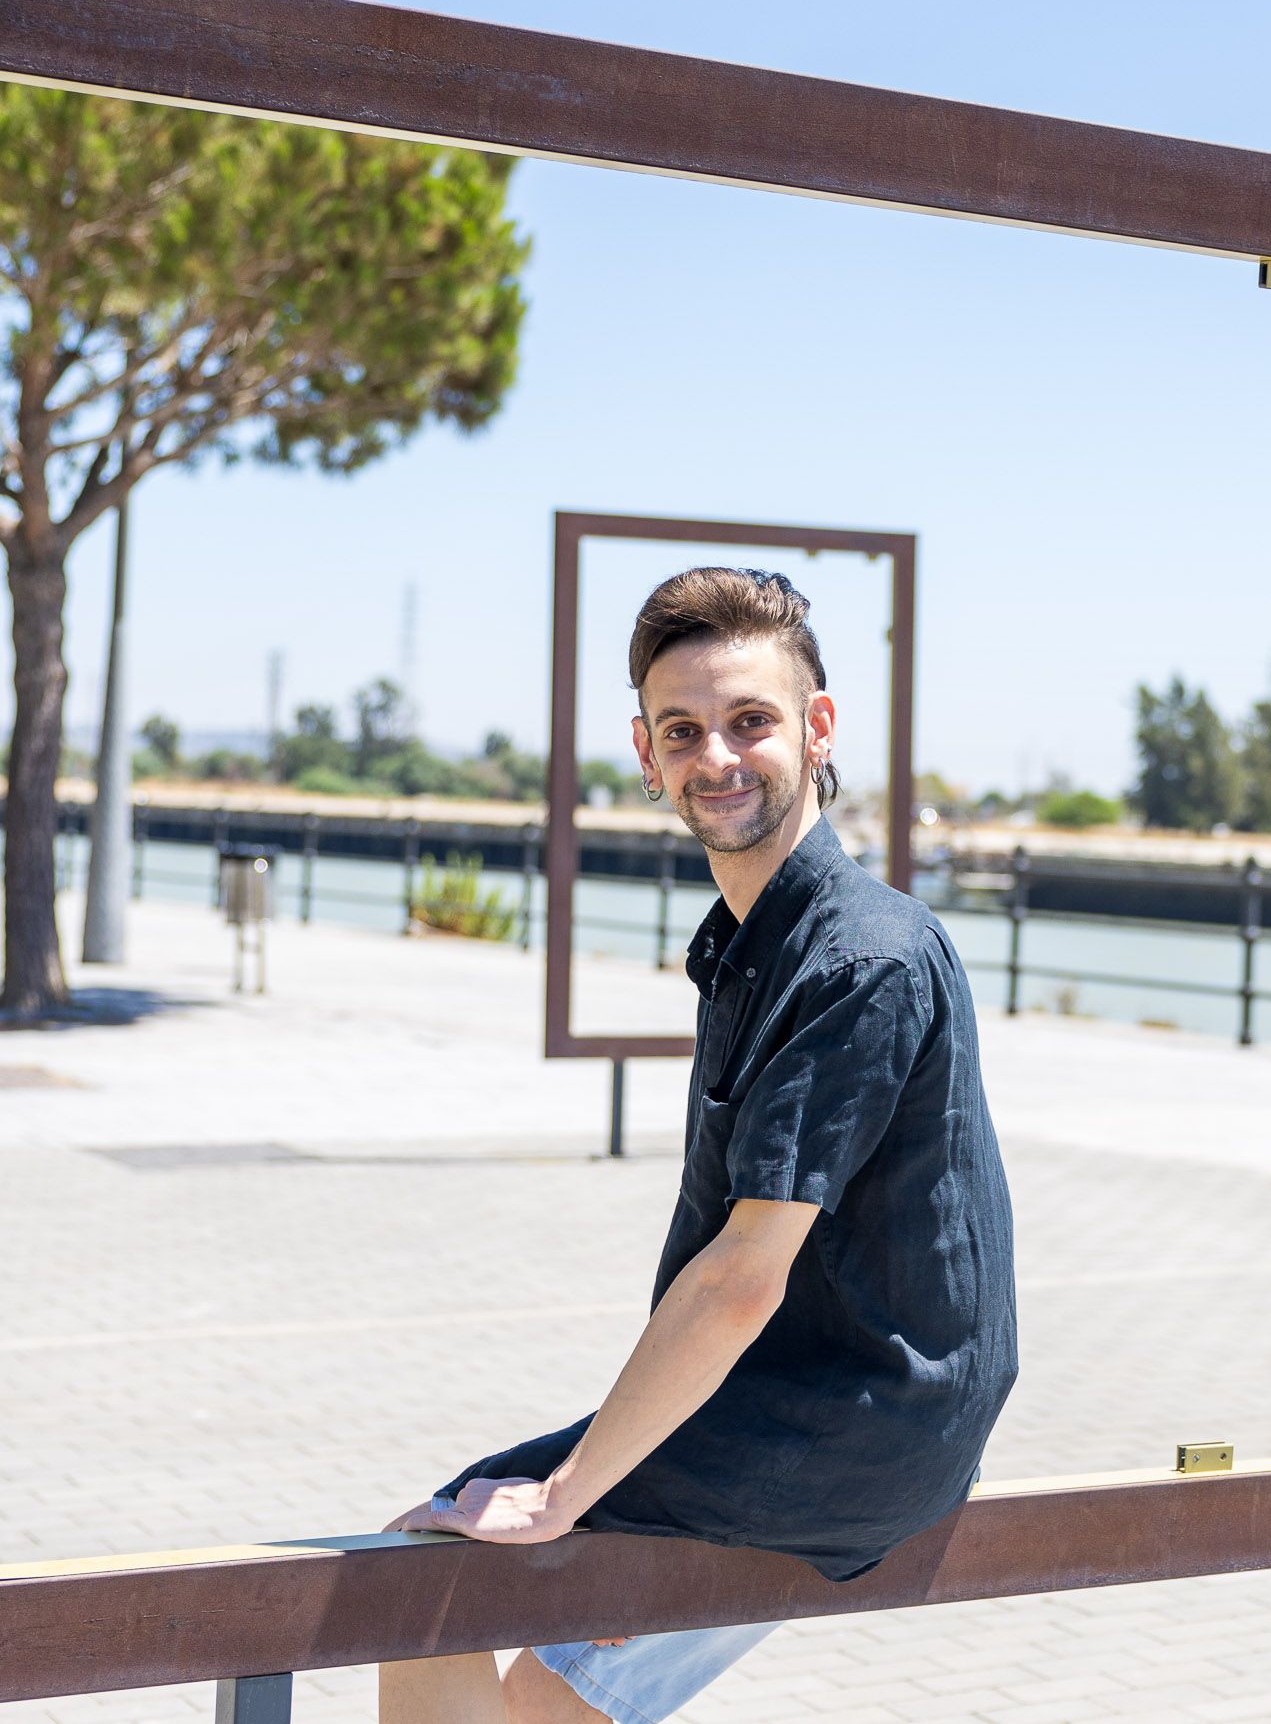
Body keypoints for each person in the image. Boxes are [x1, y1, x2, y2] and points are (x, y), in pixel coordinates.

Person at [378, 565, 1018, 1723]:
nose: (716, 757)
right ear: (646, 751)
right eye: (684, 731)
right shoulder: (749, 943)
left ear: (818, 728)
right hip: (802, 1402)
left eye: (750, 721)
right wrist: (633, 1494)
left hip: (862, 1423)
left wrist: (585, 1491)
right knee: (491, 1643)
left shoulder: (858, 957)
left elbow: (737, 1280)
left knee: (458, 1603)